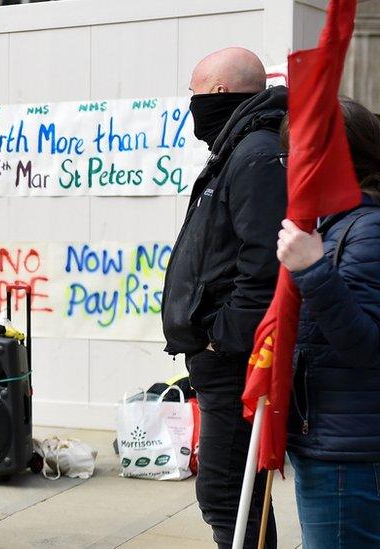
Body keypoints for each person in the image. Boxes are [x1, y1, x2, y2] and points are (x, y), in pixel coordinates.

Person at [161, 47, 288, 548]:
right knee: (231, 497)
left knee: (229, 496)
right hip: (223, 362)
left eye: (194, 94)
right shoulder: (242, 149)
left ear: (217, 92)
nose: (193, 107)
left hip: (234, 363)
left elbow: (264, 264)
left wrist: (222, 341)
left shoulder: (255, 153)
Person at [277, 97, 380, 548]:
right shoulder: (334, 226)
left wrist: (312, 270)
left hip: (349, 454)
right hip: (330, 439)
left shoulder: (367, 229)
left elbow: (363, 346)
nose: (289, 170)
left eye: (296, 156)